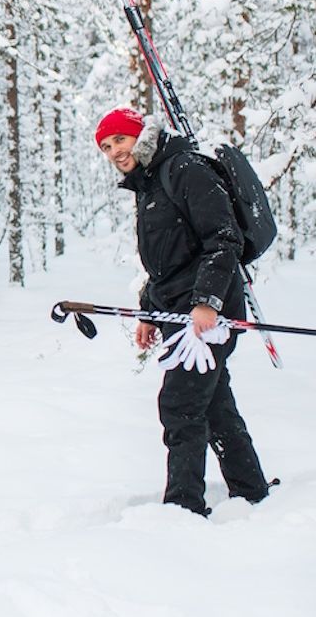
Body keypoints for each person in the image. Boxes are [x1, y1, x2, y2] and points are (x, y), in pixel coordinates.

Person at [95, 105, 270, 516]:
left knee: (180, 405)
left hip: (208, 316)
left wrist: (207, 302)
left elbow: (223, 238)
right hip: (180, 315)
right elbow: (166, 264)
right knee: (214, 404)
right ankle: (252, 490)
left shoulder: (185, 170)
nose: (114, 151)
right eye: (106, 146)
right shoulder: (150, 184)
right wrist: (148, 313)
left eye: (120, 139)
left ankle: (182, 508)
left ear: (141, 135)